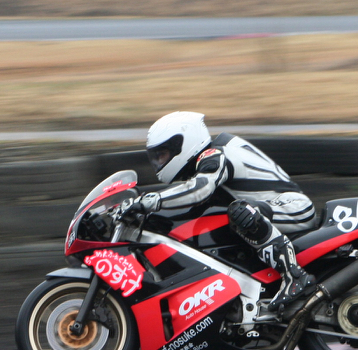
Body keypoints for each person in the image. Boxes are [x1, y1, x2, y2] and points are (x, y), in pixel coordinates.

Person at [135, 111, 316, 311]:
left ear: (183, 143)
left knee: (241, 212)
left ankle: (294, 277)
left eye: (163, 154)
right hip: (272, 210)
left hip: (293, 207)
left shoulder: (215, 155)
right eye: (156, 156)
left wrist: (152, 201)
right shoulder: (203, 164)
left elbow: (199, 189)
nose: (159, 161)